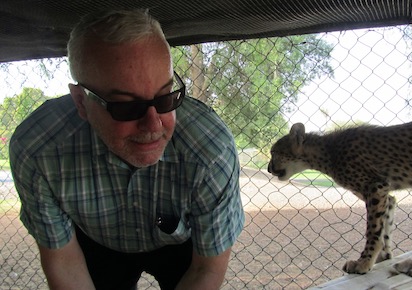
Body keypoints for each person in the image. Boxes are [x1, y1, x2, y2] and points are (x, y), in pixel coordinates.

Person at [10, 9, 245, 290]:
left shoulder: (210, 151)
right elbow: (64, 262)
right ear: (81, 103)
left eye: (165, 97)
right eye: (127, 106)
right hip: (98, 243)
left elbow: (206, 269)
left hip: (181, 244)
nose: (153, 124)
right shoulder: (38, 150)